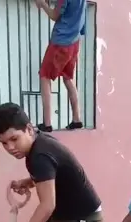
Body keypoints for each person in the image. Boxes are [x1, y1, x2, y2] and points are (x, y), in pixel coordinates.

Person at [35, 0, 86, 132]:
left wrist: (42, 4)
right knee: (68, 78)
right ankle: (77, 119)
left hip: (61, 42)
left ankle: (47, 123)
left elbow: (54, 15)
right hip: (74, 42)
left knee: (44, 76)